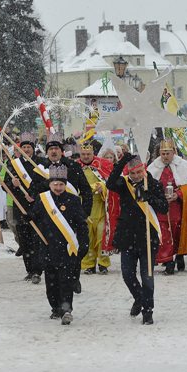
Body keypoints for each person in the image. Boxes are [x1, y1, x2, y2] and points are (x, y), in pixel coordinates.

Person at [106, 153, 169, 325]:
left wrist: (150, 198)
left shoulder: (153, 184)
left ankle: (148, 310)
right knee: (127, 274)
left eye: (139, 172)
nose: (136, 176)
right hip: (127, 236)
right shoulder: (124, 184)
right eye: (132, 173)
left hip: (147, 237)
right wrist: (121, 162)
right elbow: (110, 183)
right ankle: (139, 298)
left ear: (144, 170)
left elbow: (164, 208)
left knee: (147, 277)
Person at [32, 132, 92, 293]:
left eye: (56, 148)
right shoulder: (40, 168)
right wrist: (47, 184)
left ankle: (74, 278)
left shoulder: (73, 166)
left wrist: (85, 212)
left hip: (72, 215)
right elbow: (33, 191)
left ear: (62, 150)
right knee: (52, 253)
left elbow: (86, 190)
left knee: (73, 247)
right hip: (49, 217)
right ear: (47, 151)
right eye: (50, 149)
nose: (54, 151)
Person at [29, 165, 89, 325]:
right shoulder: (43, 199)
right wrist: (28, 216)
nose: (58, 187)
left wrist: (84, 242)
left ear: (65, 185)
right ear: (50, 184)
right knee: (51, 283)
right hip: (48, 247)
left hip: (67, 248)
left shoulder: (73, 200)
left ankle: (66, 310)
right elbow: (35, 216)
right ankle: (55, 307)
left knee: (66, 281)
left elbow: (81, 224)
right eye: (55, 184)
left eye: (61, 184)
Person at [147, 139, 187, 274]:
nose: (165, 156)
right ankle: (168, 261)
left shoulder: (184, 166)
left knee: (178, 232)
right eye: (163, 153)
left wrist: (178, 194)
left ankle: (179, 254)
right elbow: (148, 185)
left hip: (178, 207)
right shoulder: (153, 167)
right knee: (164, 234)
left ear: (174, 152)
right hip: (161, 207)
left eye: (168, 153)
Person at [4, 132, 49, 284]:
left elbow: (48, 183)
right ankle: (29, 270)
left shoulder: (41, 163)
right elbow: (5, 186)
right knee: (24, 241)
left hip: (38, 206)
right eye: (24, 147)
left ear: (33, 148)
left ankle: (37, 270)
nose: (26, 150)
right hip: (21, 206)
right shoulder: (13, 164)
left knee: (37, 238)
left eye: (29, 147)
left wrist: (33, 193)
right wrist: (13, 184)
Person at [77, 143, 117, 275]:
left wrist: (102, 187)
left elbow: (109, 182)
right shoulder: (75, 167)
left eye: (88, 154)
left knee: (101, 236)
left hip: (100, 207)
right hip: (84, 207)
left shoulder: (102, 165)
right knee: (87, 237)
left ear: (93, 153)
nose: (86, 157)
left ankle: (103, 263)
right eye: (83, 154)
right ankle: (89, 264)